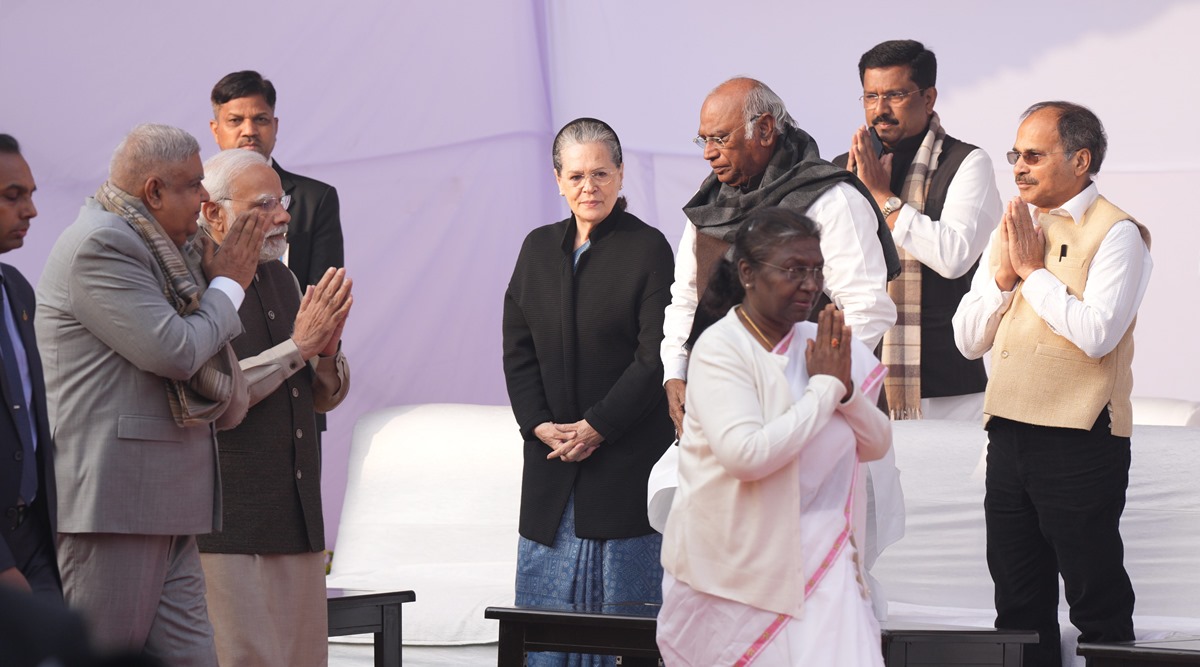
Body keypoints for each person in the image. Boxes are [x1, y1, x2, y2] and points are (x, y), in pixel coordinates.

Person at [661, 76, 901, 618]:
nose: (708, 154)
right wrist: (676, 371)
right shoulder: (706, 208)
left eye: (719, 139)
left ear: (764, 129)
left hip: (814, 421)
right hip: (729, 415)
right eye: (702, 140)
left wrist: (805, 383)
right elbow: (685, 299)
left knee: (822, 583)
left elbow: (866, 310)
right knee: (724, 578)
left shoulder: (832, 197)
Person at [36, 123, 267, 665]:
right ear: (154, 191)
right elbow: (177, 351)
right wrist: (228, 285)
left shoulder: (155, 244)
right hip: (117, 504)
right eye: (192, 185)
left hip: (165, 502)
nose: (206, 198)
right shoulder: (104, 243)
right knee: (100, 658)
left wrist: (216, 284)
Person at [953, 102, 1150, 666]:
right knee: (1016, 601)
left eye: (1034, 155)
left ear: (1080, 159)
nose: (1018, 166)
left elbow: (1097, 335)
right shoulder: (1013, 226)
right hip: (1008, 436)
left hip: (1082, 439)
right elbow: (968, 341)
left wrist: (1034, 273)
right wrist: (1004, 275)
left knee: (1096, 600)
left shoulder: (1118, 234)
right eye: (1015, 154)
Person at [657, 208, 891, 666]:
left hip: (823, 569)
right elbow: (746, 455)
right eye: (793, 270)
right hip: (734, 575)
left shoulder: (825, 343)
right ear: (747, 273)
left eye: (817, 270)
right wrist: (825, 388)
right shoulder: (721, 348)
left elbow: (877, 443)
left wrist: (844, 392)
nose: (810, 283)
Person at [502, 118, 675, 666]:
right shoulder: (536, 249)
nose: (589, 187)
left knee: (624, 631)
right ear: (557, 179)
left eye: (601, 173)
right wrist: (536, 423)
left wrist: (598, 425)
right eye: (576, 175)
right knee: (543, 634)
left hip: (625, 458)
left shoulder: (648, 248)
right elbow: (518, 347)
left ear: (621, 175)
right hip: (551, 458)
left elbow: (656, 357)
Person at [194, 149, 352, 667]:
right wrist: (299, 348)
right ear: (215, 213)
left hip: (299, 519)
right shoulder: (194, 286)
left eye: (282, 202)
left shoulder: (281, 278)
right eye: (264, 204)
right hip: (228, 528)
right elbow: (216, 392)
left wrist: (326, 353)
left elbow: (320, 394)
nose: (284, 215)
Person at [836, 40, 1002, 420]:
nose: (880, 109)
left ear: (929, 98)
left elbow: (954, 256)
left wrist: (881, 196)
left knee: (948, 482)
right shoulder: (842, 169)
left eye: (895, 94)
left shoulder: (966, 162)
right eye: (870, 96)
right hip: (855, 377)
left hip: (946, 389)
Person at [210, 70, 343, 288]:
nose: (249, 131)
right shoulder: (197, 196)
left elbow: (322, 297)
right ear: (215, 130)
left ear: (275, 125)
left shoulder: (314, 199)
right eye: (235, 120)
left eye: (260, 119)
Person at [0, 135, 60, 606]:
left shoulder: (17, 289)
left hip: (36, 540)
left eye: (32, 194)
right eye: (12, 196)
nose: (31, 211)